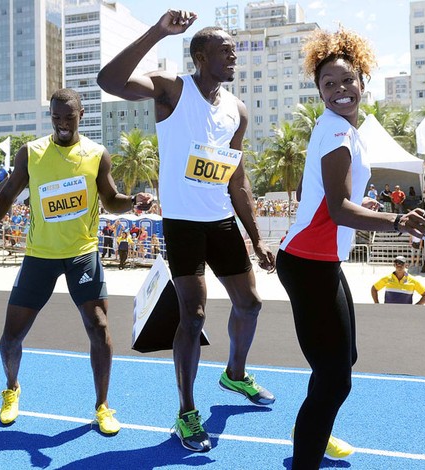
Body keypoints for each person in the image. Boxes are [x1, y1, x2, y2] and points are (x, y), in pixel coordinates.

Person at [98, 9, 276, 453]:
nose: (233, 55)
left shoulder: (237, 110)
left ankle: (234, 374)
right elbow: (109, 81)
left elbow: (237, 178)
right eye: (224, 50)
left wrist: (256, 237)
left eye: (234, 49)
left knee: (250, 304)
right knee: (193, 317)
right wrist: (158, 32)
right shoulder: (172, 90)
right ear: (200, 56)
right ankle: (186, 411)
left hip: (221, 221)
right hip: (182, 224)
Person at [275, 28, 425, 468]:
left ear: (362, 81)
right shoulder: (338, 133)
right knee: (334, 378)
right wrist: (398, 219)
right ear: (320, 93)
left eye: (347, 81)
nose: (340, 90)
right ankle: (307, 450)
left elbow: (339, 201)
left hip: (321, 260)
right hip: (308, 262)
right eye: (329, 84)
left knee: (342, 362)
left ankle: (315, 428)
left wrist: (360, 204)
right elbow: (338, 209)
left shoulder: (345, 129)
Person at [0, 88, 152, 435]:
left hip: (82, 254)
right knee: (11, 336)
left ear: (81, 115)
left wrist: (133, 203)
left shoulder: (96, 154)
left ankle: (103, 406)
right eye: (56, 117)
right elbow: (6, 197)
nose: (62, 124)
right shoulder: (31, 153)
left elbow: (111, 200)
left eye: (69, 117)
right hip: (40, 256)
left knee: (99, 328)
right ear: (51, 116)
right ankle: (11, 388)